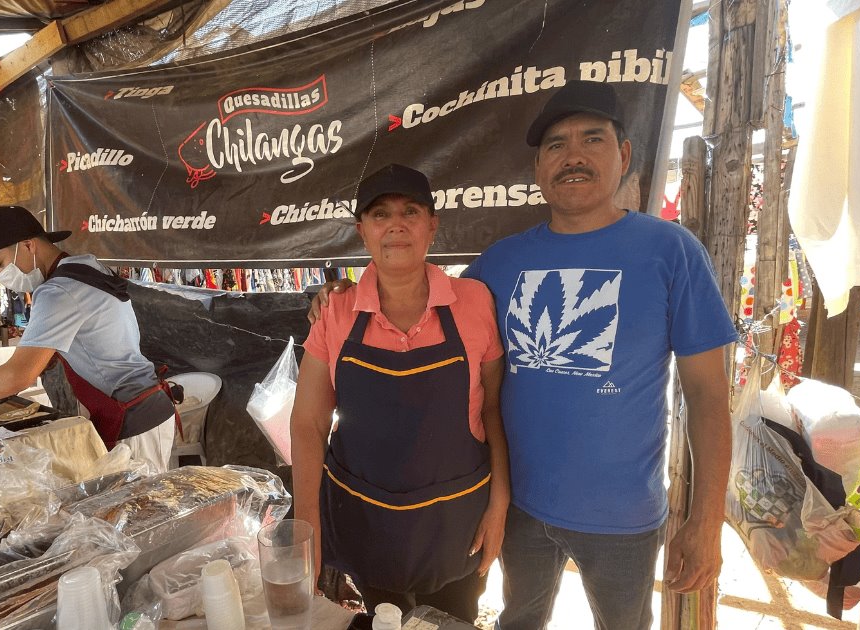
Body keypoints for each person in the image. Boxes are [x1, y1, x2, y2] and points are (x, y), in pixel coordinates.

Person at [311, 82, 736, 630]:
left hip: (623, 518)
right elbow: (422, 297)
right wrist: (336, 294)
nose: (573, 155)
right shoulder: (500, 263)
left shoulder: (671, 251)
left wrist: (707, 521)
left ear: (624, 155)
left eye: (592, 139)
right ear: (538, 169)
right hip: (519, 510)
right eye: (556, 145)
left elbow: (707, 395)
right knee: (518, 621)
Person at [292, 164, 510, 622]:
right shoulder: (336, 310)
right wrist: (306, 533)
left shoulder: (474, 301)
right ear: (362, 231)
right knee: (385, 618)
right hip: (368, 520)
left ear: (432, 224)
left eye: (410, 211)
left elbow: (493, 409)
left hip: (456, 525)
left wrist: (499, 502)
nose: (396, 224)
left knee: (451, 620)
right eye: (379, 214)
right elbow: (308, 424)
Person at [0, 205, 178, 472]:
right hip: (147, 405)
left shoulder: (58, 291)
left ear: (28, 245)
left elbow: (17, 376)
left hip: (133, 414)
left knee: (142, 513)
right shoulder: (86, 267)